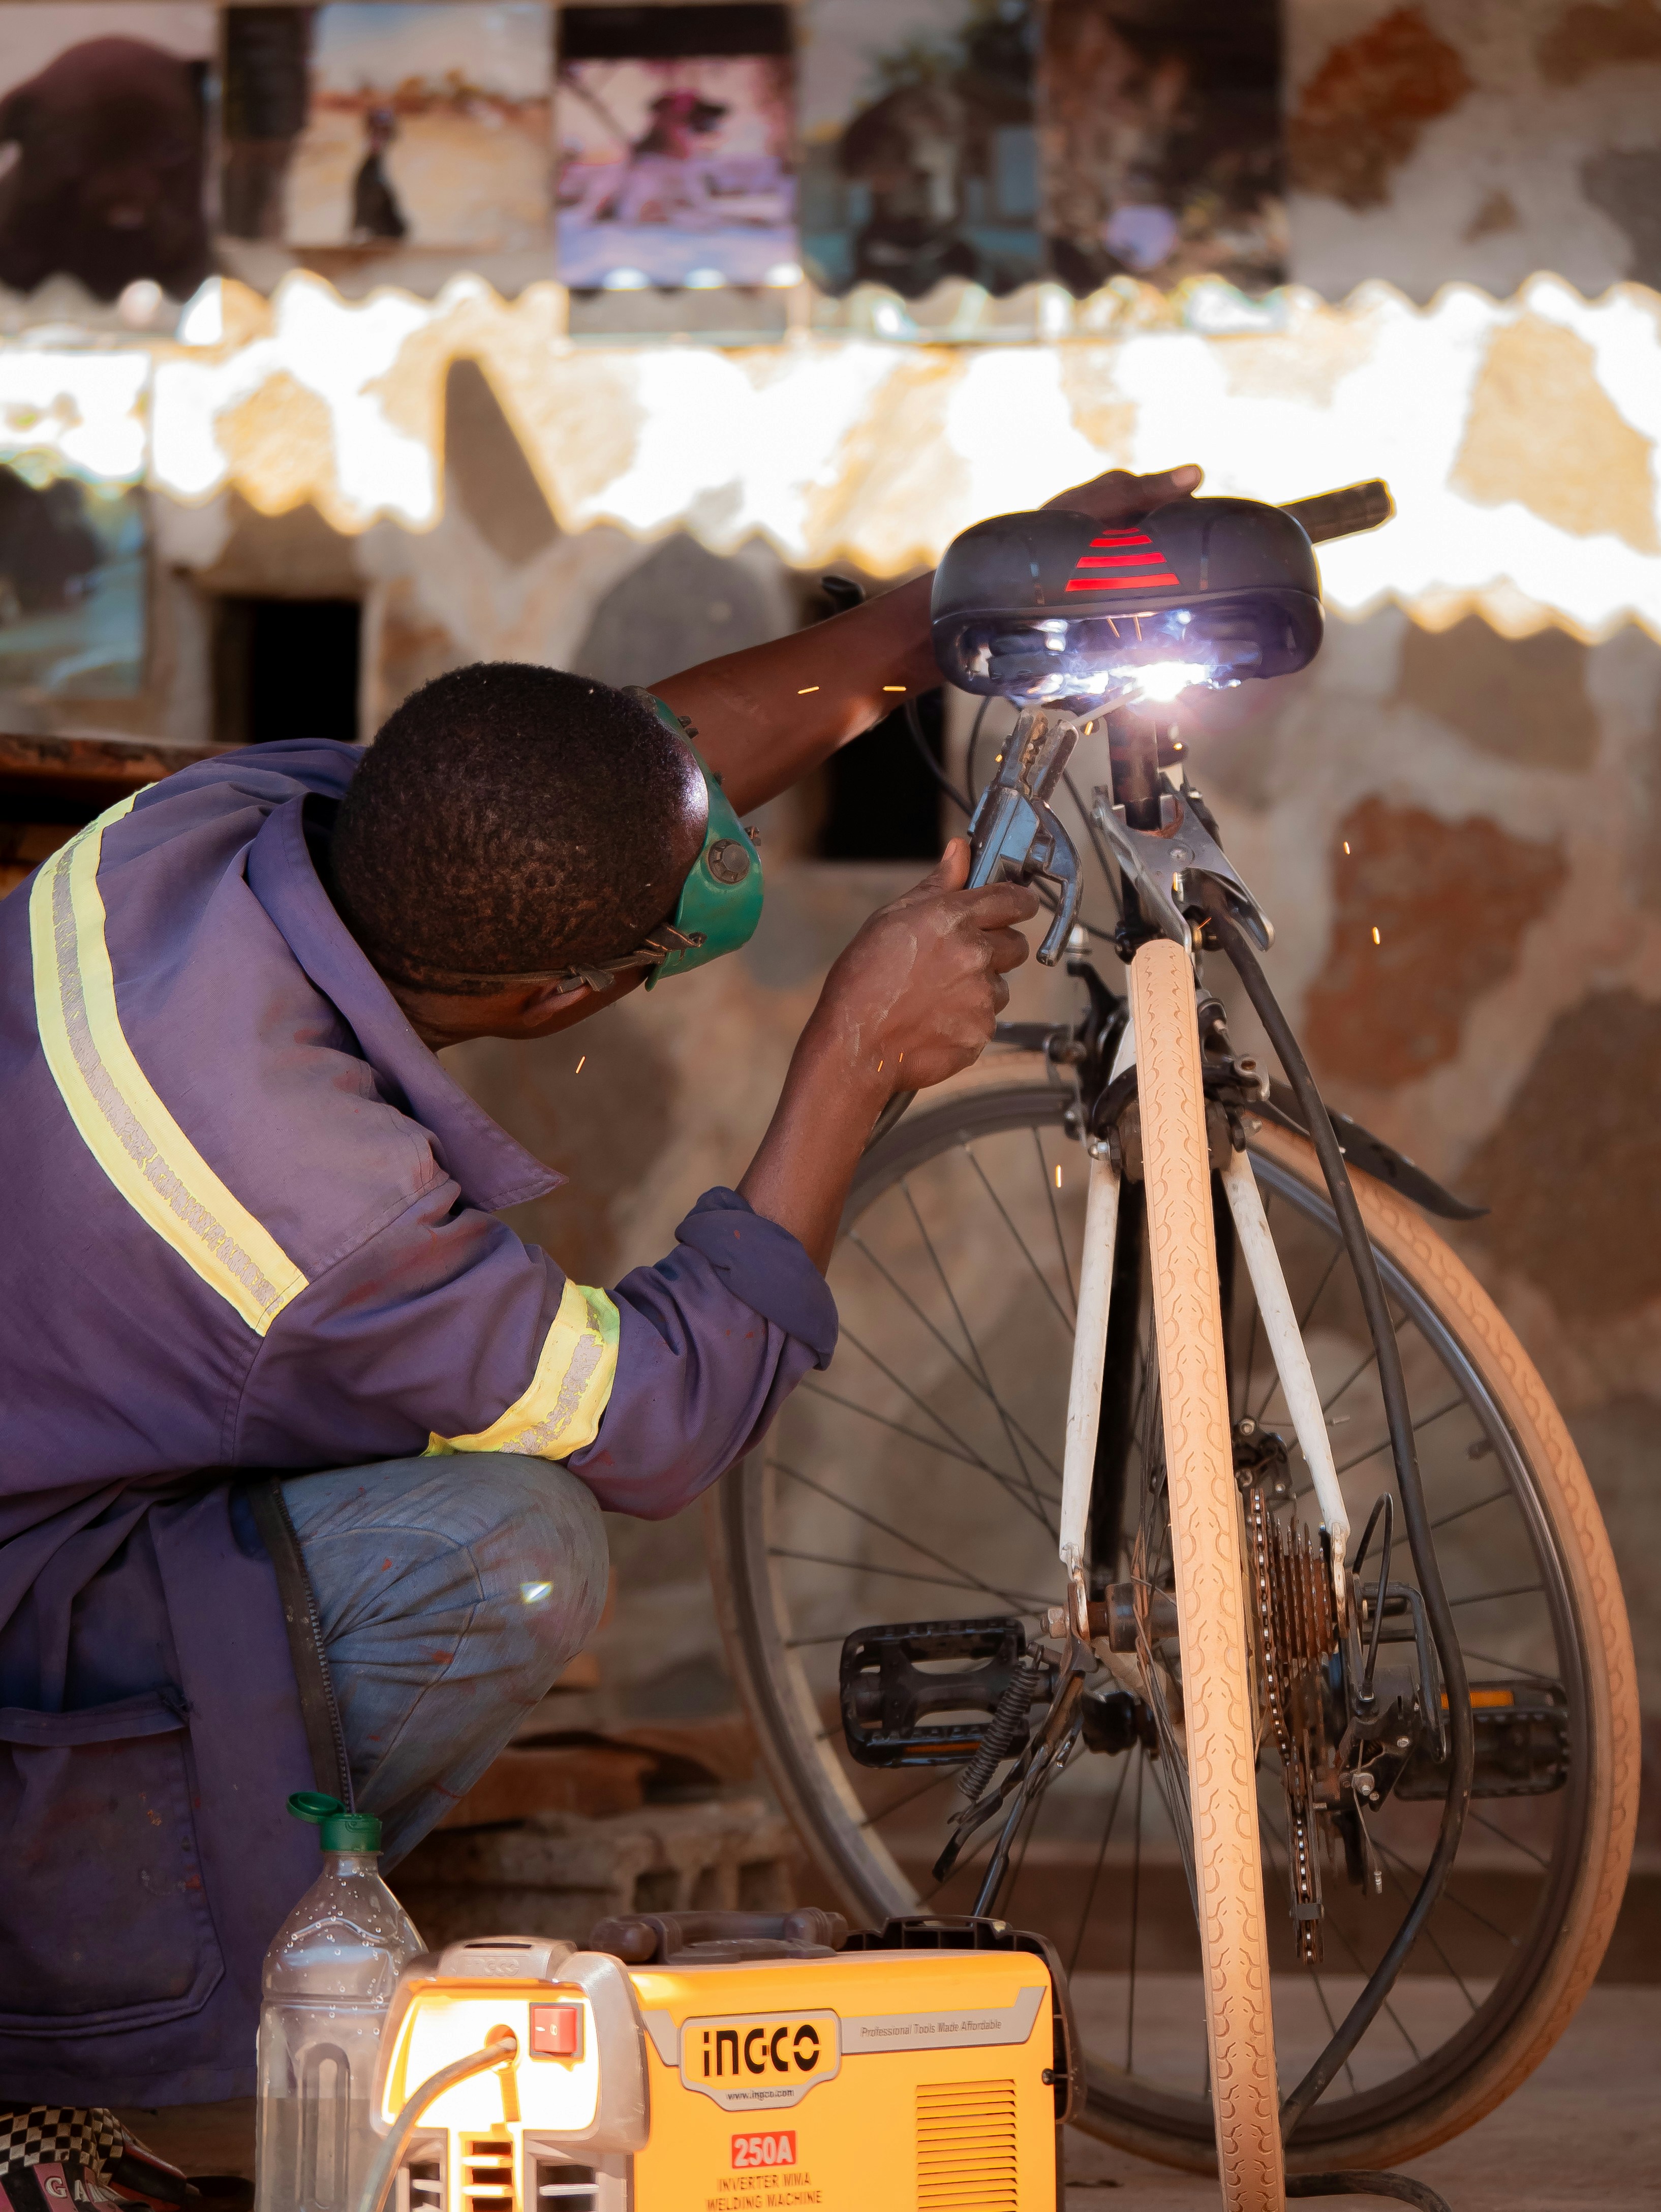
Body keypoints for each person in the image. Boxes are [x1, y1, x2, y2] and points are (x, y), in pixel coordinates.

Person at [0, 464, 1199, 2114]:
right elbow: (653, 1422)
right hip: (29, 1607)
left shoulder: (201, 831)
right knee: (512, 1551)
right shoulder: (321, 1210)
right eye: (646, 952)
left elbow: (602, 772)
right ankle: (174, 1976)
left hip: (61, 1428)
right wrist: (850, 1058)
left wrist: (936, 619)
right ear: (554, 999)